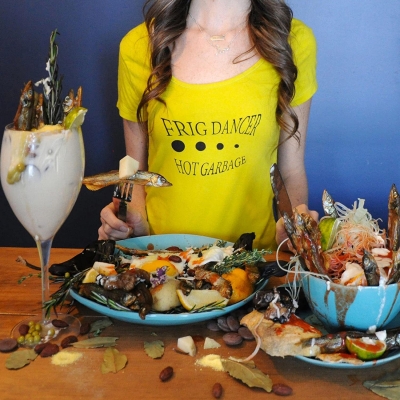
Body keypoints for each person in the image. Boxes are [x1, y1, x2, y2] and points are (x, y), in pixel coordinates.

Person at [98, 0, 319, 250]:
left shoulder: (293, 42)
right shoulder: (139, 45)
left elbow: (291, 171)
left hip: (253, 262)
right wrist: (129, 221)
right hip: (163, 261)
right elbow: (132, 166)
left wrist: (293, 230)